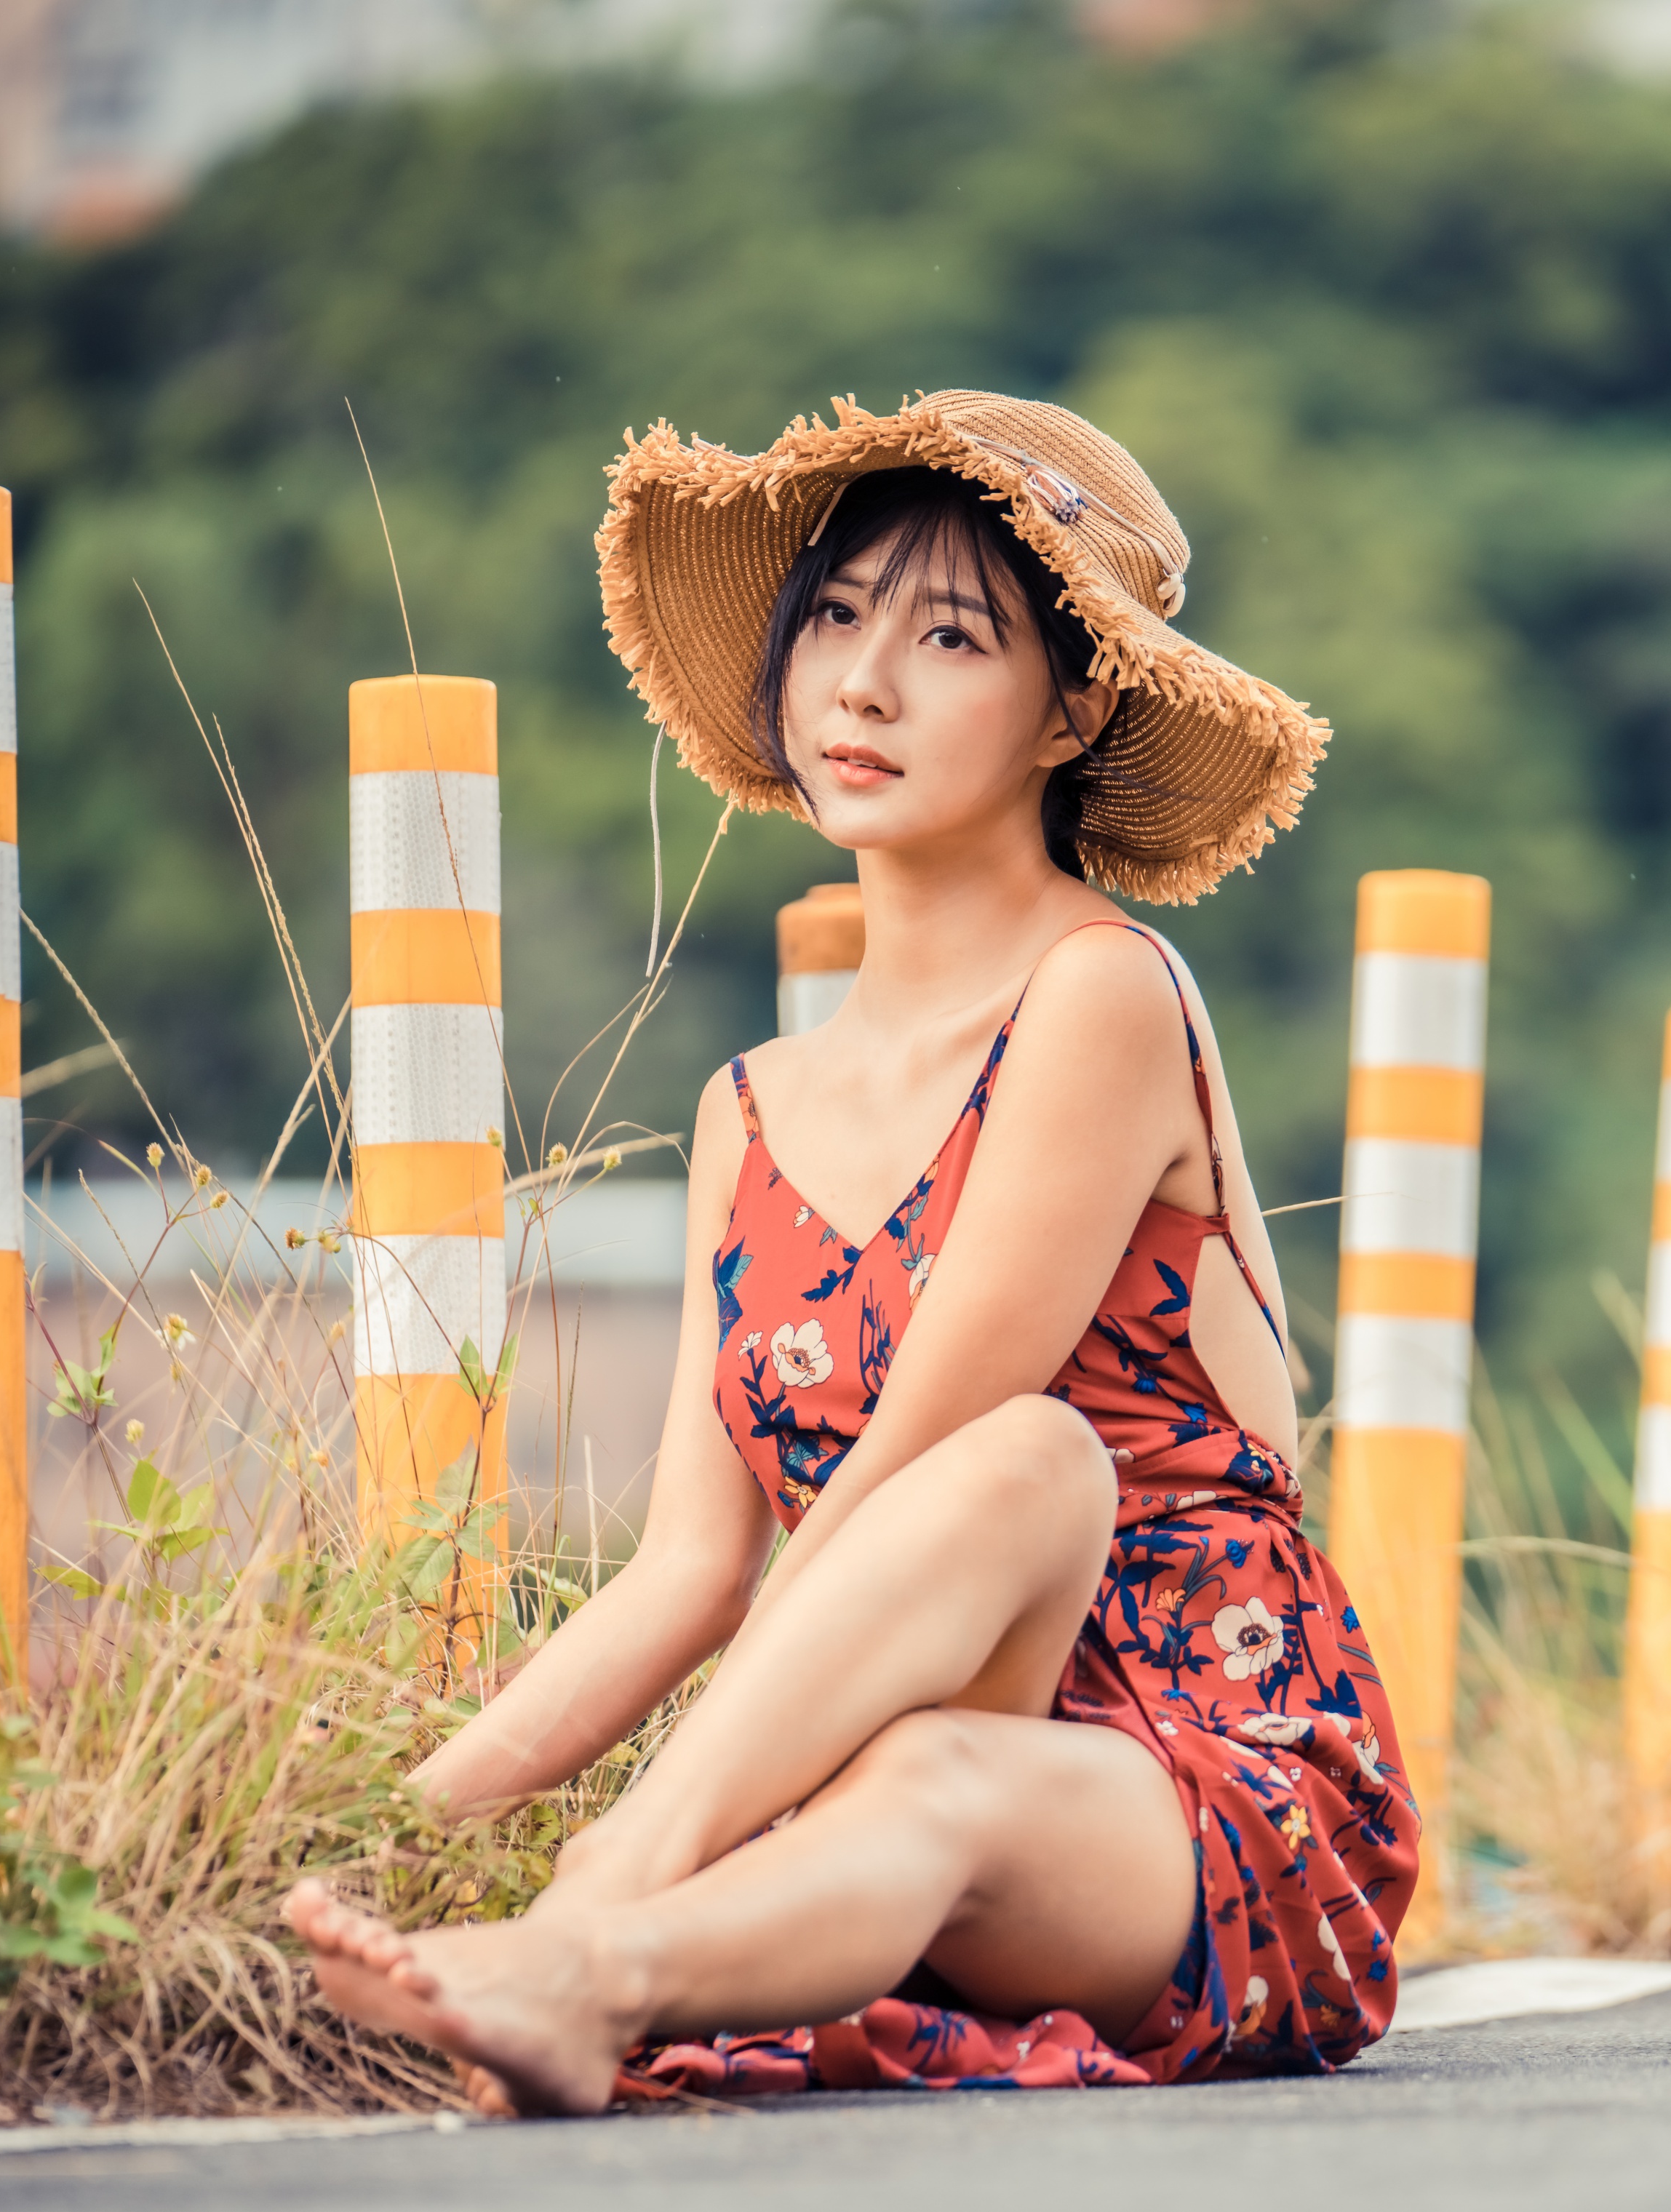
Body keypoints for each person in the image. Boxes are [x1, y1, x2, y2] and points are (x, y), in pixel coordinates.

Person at [287, 391, 1416, 2116]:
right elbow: (686, 1576)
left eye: (949, 636)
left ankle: (597, 1931)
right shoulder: (746, 1112)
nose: (860, 685)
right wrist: (375, 1827)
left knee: (1018, 1473)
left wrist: (649, 1831)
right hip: (893, 1718)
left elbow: (916, 1459)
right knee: (915, 1767)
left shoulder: (1099, 995)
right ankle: (586, 1972)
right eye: (834, 617)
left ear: (1076, 708)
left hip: (1200, 1768)